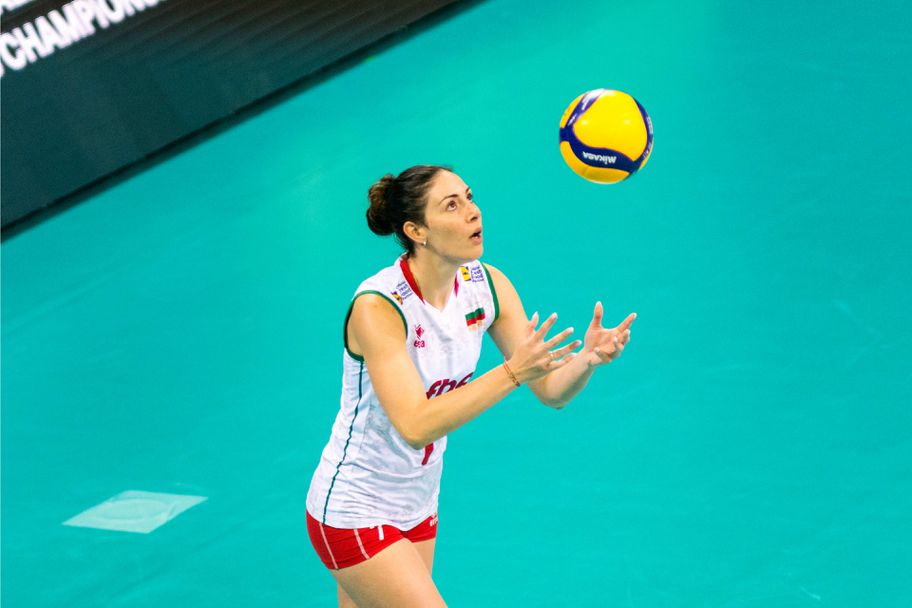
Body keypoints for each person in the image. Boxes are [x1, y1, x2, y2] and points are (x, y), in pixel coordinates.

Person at [305, 165, 636, 607]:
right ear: (416, 231)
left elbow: (551, 390)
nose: (473, 212)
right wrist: (512, 373)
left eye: (469, 197)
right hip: (355, 506)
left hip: (418, 502)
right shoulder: (380, 308)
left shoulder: (487, 286)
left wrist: (587, 360)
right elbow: (416, 425)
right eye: (451, 206)